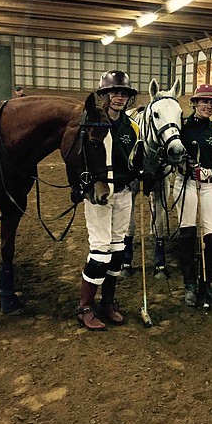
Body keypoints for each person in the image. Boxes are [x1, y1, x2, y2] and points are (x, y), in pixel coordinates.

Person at [76, 70, 141, 331]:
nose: (118, 97)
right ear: (103, 95)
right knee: (100, 252)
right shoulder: (93, 123)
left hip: (124, 192)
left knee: (117, 251)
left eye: (123, 93)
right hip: (100, 195)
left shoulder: (133, 127)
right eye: (113, 92)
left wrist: (144, 170)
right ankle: (84, 307)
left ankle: (108, 302)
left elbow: (137, 157)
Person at [173, 84, 212, 307]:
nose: (208, 105)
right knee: (187, 234)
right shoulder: (181, 126)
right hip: (185, 183)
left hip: (208, 186)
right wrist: (182, 164)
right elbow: (171, 153)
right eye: (204, 101)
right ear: (195, 103)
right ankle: (189, 284)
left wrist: (211, 171)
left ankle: (207, 282)